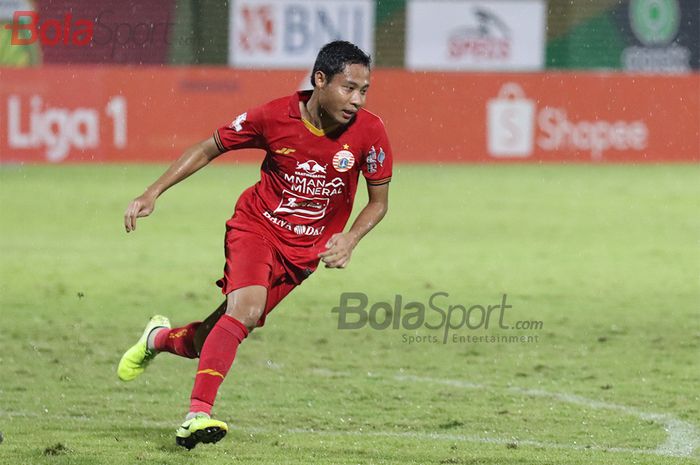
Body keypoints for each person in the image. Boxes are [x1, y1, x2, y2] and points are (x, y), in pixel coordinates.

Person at [117, 40, 392, 450]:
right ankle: (197, 414)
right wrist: (153, 191)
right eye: (348, 88)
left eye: (363, 90)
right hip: (257, 228)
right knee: (244, 311)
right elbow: (209, 146)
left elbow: (379, 203)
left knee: (207, 339)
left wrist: (351, 238)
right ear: (320, 80)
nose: (356, 100)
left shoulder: (371, 132)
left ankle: (157, 339)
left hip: (303, 256)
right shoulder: (272, 116)